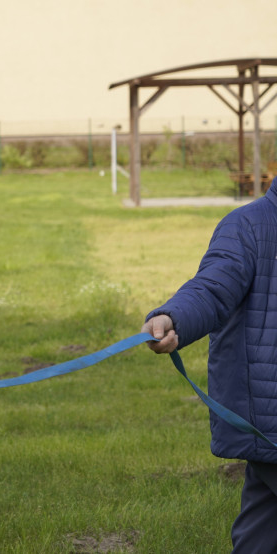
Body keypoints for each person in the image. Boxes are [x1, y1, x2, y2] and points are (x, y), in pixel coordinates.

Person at [142, 182, 277, 553]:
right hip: (270, 416)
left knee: (260, 531)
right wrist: (173, 318)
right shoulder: (249, 226)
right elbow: (211, 289)